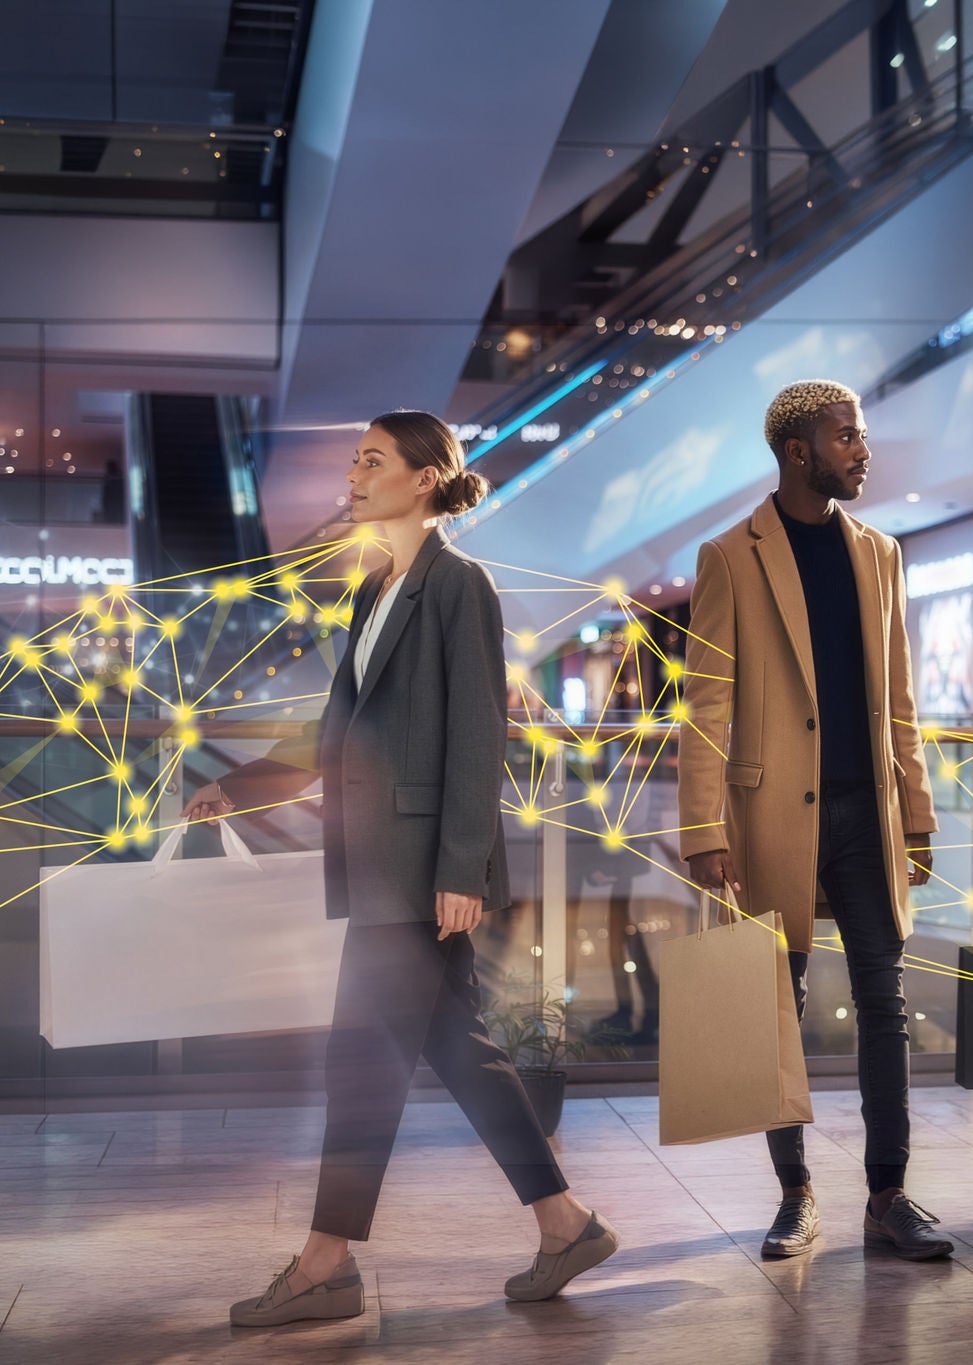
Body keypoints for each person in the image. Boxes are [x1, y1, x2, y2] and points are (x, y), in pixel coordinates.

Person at [184, 410, 619, 1327]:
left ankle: (325, 1265)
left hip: (422, 871)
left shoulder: (459, 584)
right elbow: (339, 730)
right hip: (384, 866)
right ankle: (564, 1222)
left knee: (361, 1061)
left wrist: (461, 866)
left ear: (425, 478)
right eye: (353, 459)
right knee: (458, 1049)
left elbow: (478, 735)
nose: (353, 475)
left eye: (372, 460)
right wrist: (242, 783)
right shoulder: (376, 587)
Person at [677, 379, 950, 1261]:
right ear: (799, 452)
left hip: (868, 811)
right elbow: (705, 707)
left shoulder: (880, 553)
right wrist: (703, 831)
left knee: (884, 999)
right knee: (775, 1007)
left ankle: (888, 1195)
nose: (863, 451)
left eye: (860, 435)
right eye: (847, 437)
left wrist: (916, 813)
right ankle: (795, 1195)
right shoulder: (730, 556)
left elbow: (900, 699)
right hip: (769, 814)